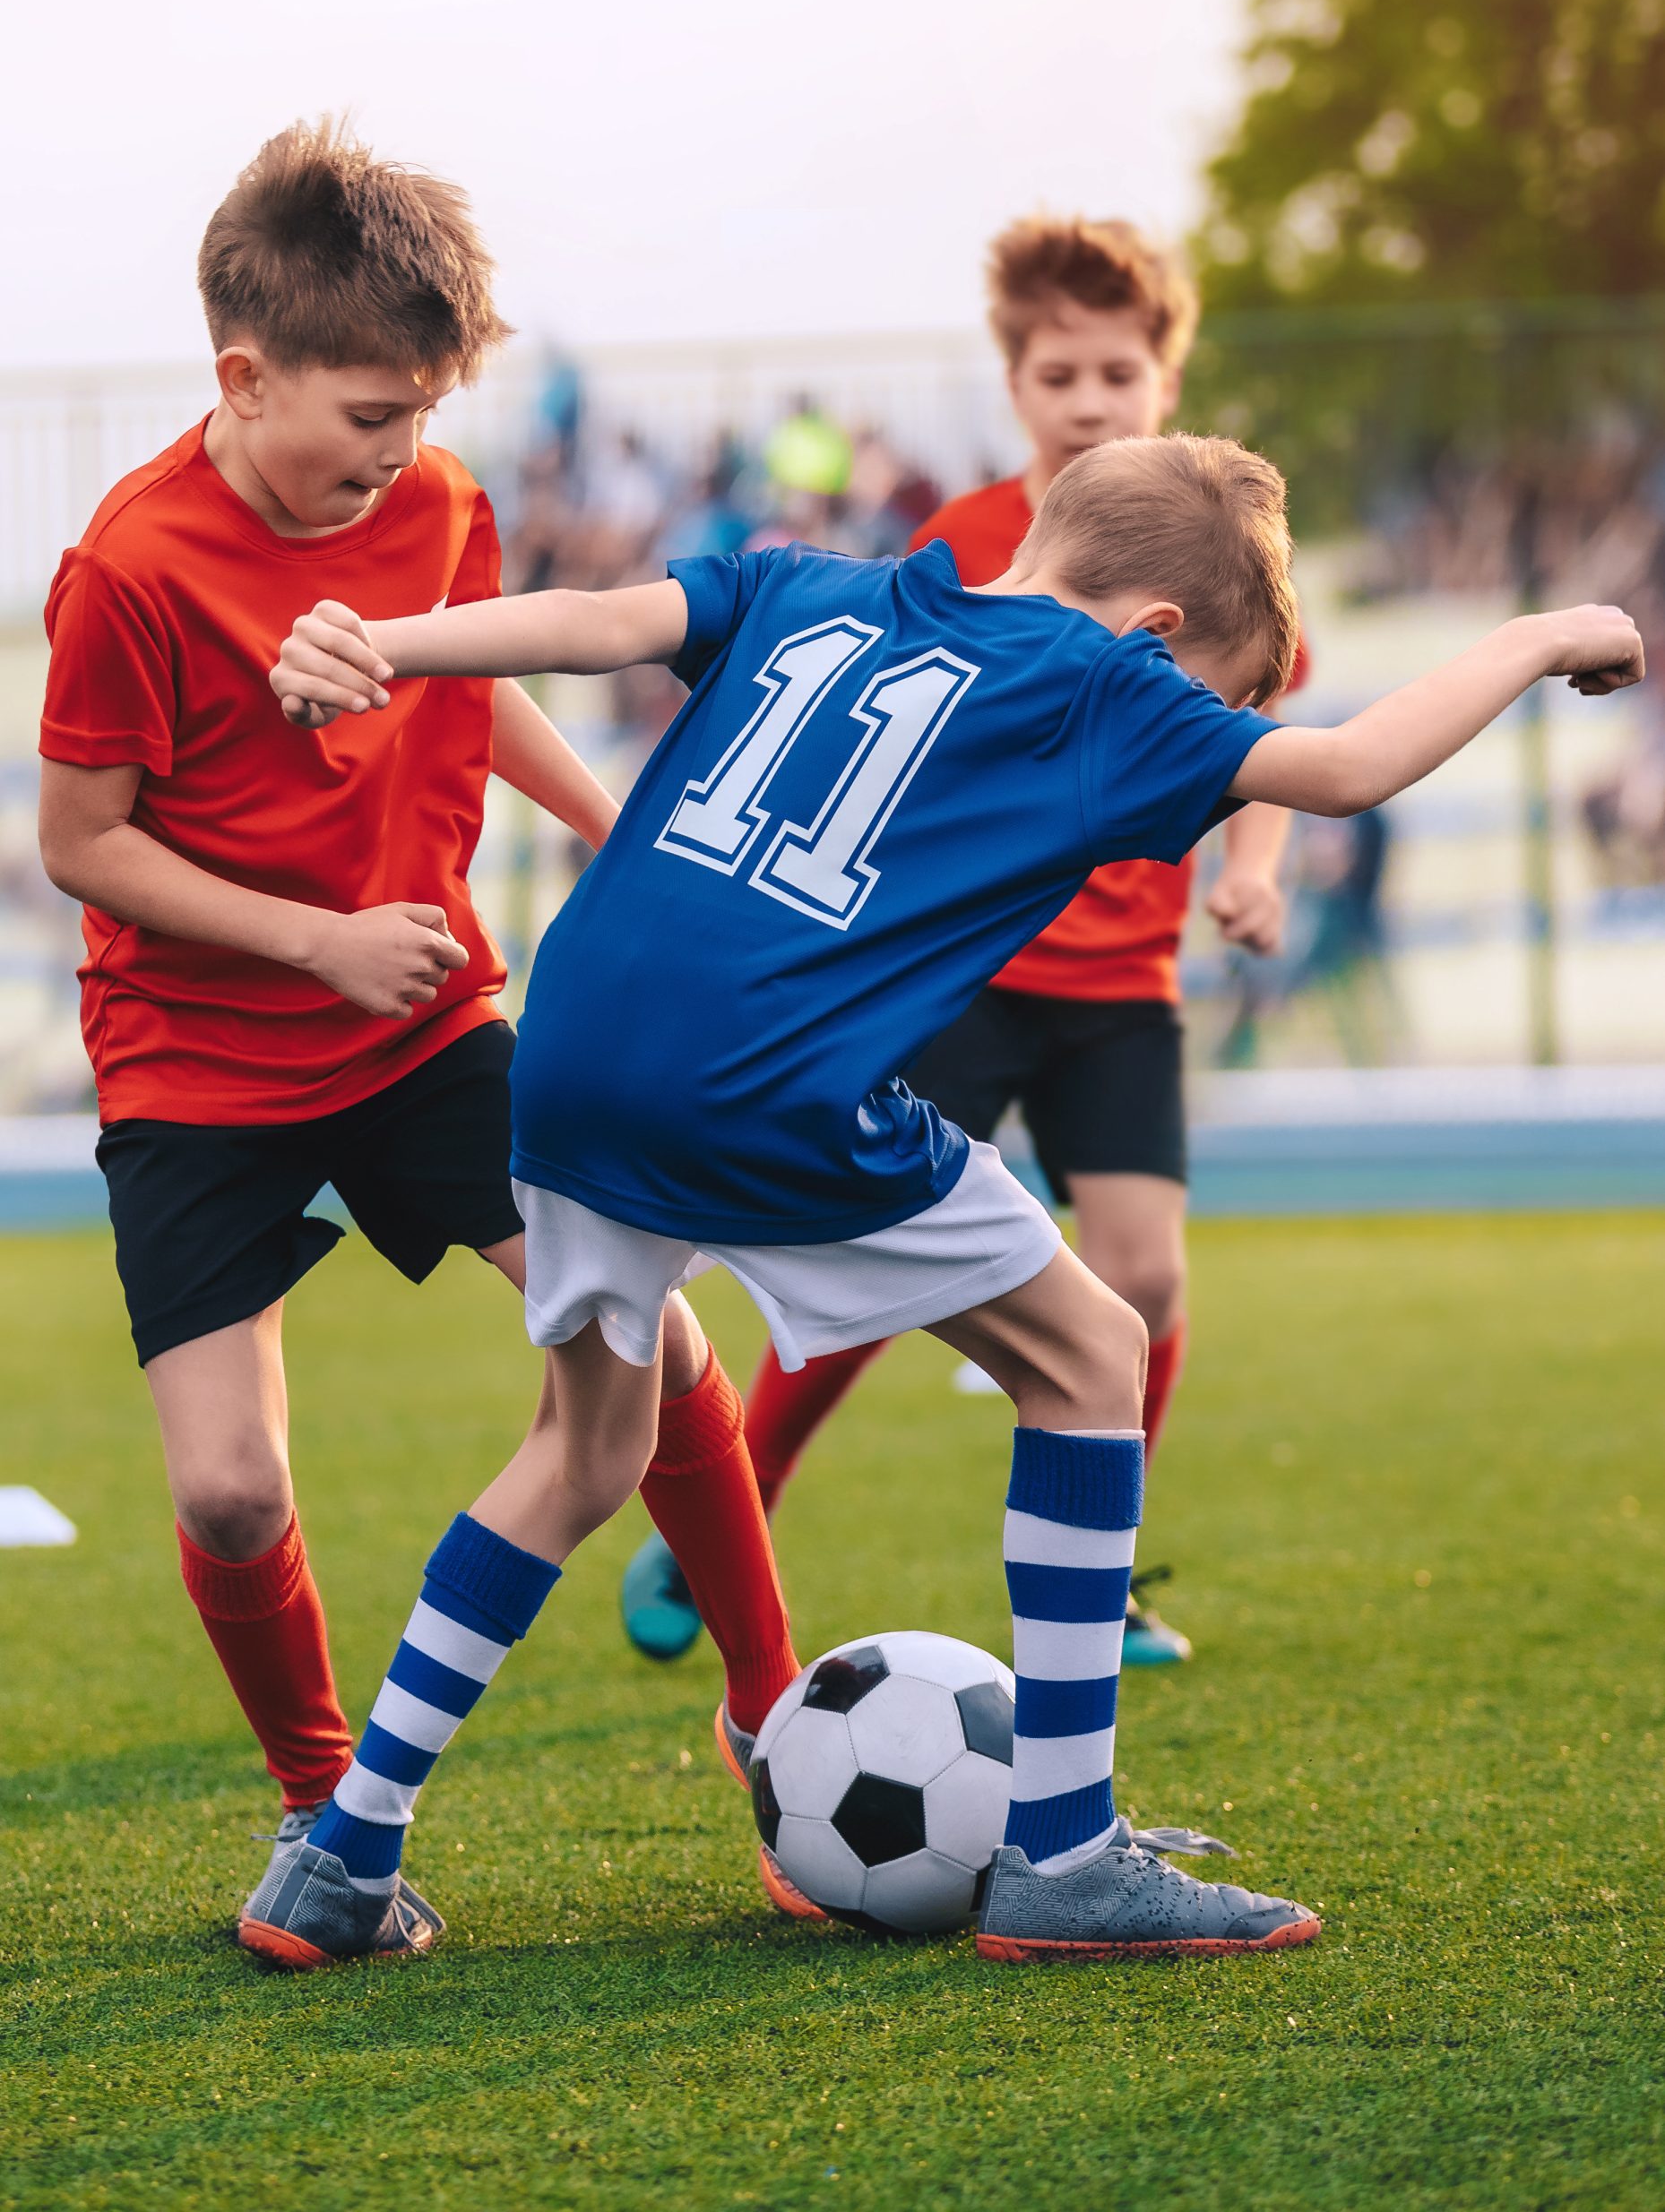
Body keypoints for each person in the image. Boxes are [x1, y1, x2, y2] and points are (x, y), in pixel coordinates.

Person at [254, 429, 1641, 1967]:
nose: (1199, 729)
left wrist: (379, 642)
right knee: (1094, 1357)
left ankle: (344, 1853)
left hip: (569, 1046)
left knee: (585, 1447)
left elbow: (586, 621)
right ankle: (1063, 1851)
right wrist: (1543, 633)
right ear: (1158, 635)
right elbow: (1347, 768)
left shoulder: (811, 583)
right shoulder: (1111, 685)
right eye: (1217, 696)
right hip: (760, 1081)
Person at [35, 119, 797, 1966]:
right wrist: (310, 936)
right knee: (228, 1483)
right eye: (368, 415)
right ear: (245, 374)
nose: (400, 455)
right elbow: (80, 841)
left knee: (648, 1326)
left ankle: (771, 1714)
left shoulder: (439, 503)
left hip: (425, 1024)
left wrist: (621, 829)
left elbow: (475, 687)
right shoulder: (124, 567)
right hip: (196, 1063)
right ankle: (328, 1816)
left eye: (422, 414)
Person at [623, 215, 1297, 1669]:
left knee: (1147, 1280)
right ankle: (730, 1514)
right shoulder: (972, 548)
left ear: (1161, 378)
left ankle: (1100, 1582)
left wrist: (1254, 869)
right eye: (1061, 373)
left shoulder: (1223, 565)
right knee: (876, 1273)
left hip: (1124, 990)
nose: (1092, 400)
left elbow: (1263, 745)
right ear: (1016, 384)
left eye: (1119, 371)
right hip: (967, 976)